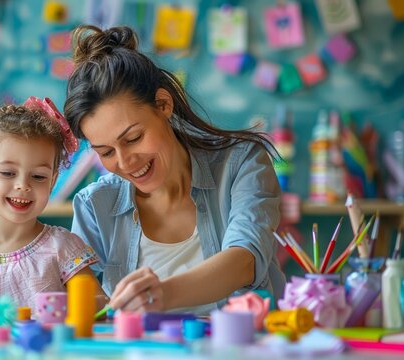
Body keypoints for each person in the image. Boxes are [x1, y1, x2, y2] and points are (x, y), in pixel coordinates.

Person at [64, 25, 286, 315]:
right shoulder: (94, 205)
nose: (125, 162)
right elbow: (89, 308)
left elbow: (244, 260)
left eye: (133, 139)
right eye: (105, 152)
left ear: (163, 104)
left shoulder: (241, 163)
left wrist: (162, 294)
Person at [0, 97, 107, 321]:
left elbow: (101, 307)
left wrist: (76, 307)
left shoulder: (61, 247)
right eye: (8, 173)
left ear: (52, 182)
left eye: (38, 176)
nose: (23, 185)